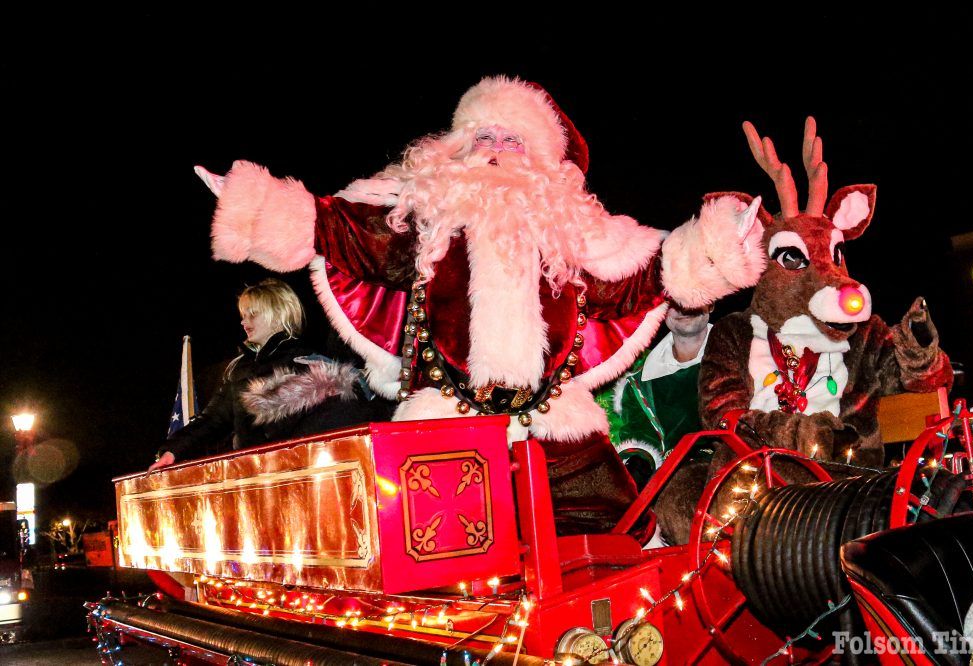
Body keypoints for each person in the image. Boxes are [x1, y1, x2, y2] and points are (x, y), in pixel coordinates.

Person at [194, 76, 766, 534]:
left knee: (607, 537)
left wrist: (714, 245)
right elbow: (341, 231)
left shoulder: (575, 231)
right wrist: (258, 206)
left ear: (541, 159)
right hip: (444, 424)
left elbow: (645, 271)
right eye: (483, 137)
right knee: (440, 559)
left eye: (511, 140)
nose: (495, 151)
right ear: (457, 146)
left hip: (556, 428)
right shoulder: (423, 219)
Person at [149, 279, 375, 471]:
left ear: (278, 314)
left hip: (296, 477)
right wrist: (173, 450)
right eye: (243, 314)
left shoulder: (309, 364)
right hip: (252, 480)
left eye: (252, 314)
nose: (243, 321)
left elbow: (333, 427)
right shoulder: (240, 370)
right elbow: (212, 421)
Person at [603, 301, 715, 491]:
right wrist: (638, 467)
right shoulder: (640, 381)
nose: (685, 307)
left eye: (693, 296)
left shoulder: (743, 354)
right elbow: (642, 438)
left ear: (712, 304)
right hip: (670, 488)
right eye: (674, 302)